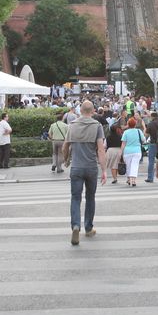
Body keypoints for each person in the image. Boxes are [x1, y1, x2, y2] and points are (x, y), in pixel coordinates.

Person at [61, 100, 107, 245]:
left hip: (76, 167)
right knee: (90, 197)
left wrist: (67, 159)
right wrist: (104, 169)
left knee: (75, 198)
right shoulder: (97, 126)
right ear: (93, 111)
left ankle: (75, 226)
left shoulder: (73, 125)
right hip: (91, 167)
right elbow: (100, 149)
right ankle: (88, 228)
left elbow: (65, 146)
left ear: (80, 110)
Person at [121, 117, 145, 186]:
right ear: (135, 124)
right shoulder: (138, 131)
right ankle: (133, 180)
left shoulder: (125, 132)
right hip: (137, 150)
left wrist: (121, 152)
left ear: (128, 124)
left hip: (127, 151)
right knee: (135, 165)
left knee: (128, 166)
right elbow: (143, 140)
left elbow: (123, 143)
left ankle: (129, 179)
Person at [144, 111, 158, 183]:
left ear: (152, 117)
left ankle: (150, 178)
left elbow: (146, 134)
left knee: (151, 161)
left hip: (153, 144)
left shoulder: (150, 124)